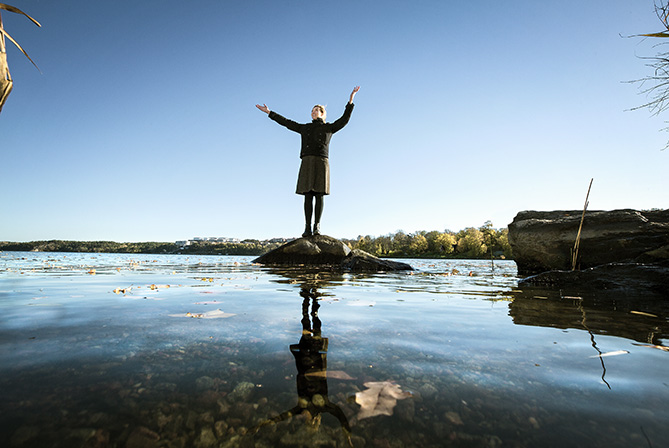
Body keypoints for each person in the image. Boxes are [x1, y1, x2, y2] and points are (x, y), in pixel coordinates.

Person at [256, 86, 359, 237]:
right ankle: (307, 228)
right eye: (312, 110)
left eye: (316, 110)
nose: (313, 112)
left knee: (319, 195)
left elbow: (344, 120)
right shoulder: (305, 128)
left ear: (322, 114)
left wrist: (350, 101)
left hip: (322, 162)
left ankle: (317, 227)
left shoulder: (329, 128)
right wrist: (270, 113)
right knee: (308, 196)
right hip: (307, 161)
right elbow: (287, 123)